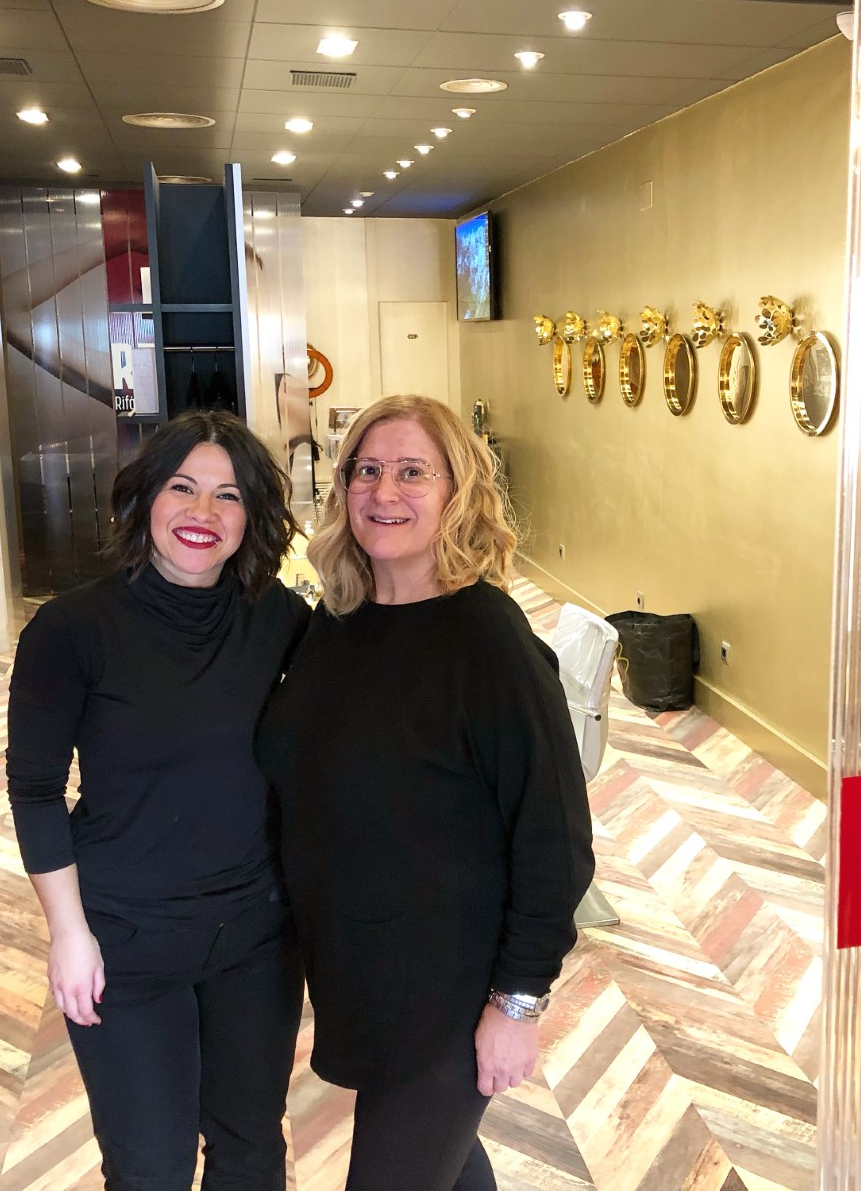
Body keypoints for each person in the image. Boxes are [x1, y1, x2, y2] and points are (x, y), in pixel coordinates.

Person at [256, 395, 594, 1191]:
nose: (384, 492)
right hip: (358, 970)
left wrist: (516, 1005)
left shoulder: (489, 642)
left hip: (447, 987)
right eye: (367, 470)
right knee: (445, 1166)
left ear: (457, 491)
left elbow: (553, 842)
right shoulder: (335, 622)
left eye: (413, 472)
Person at [6, 411, 312, 1191]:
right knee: (150, 1168)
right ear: (145, 498)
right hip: (126, 943)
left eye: (228, 495)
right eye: (182, 487)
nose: (203, 512)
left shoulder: (279, 619)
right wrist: (68, 934)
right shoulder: (72, 629)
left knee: (252, 1149)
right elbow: (36, 789)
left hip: (254, 937)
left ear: (253, 516)